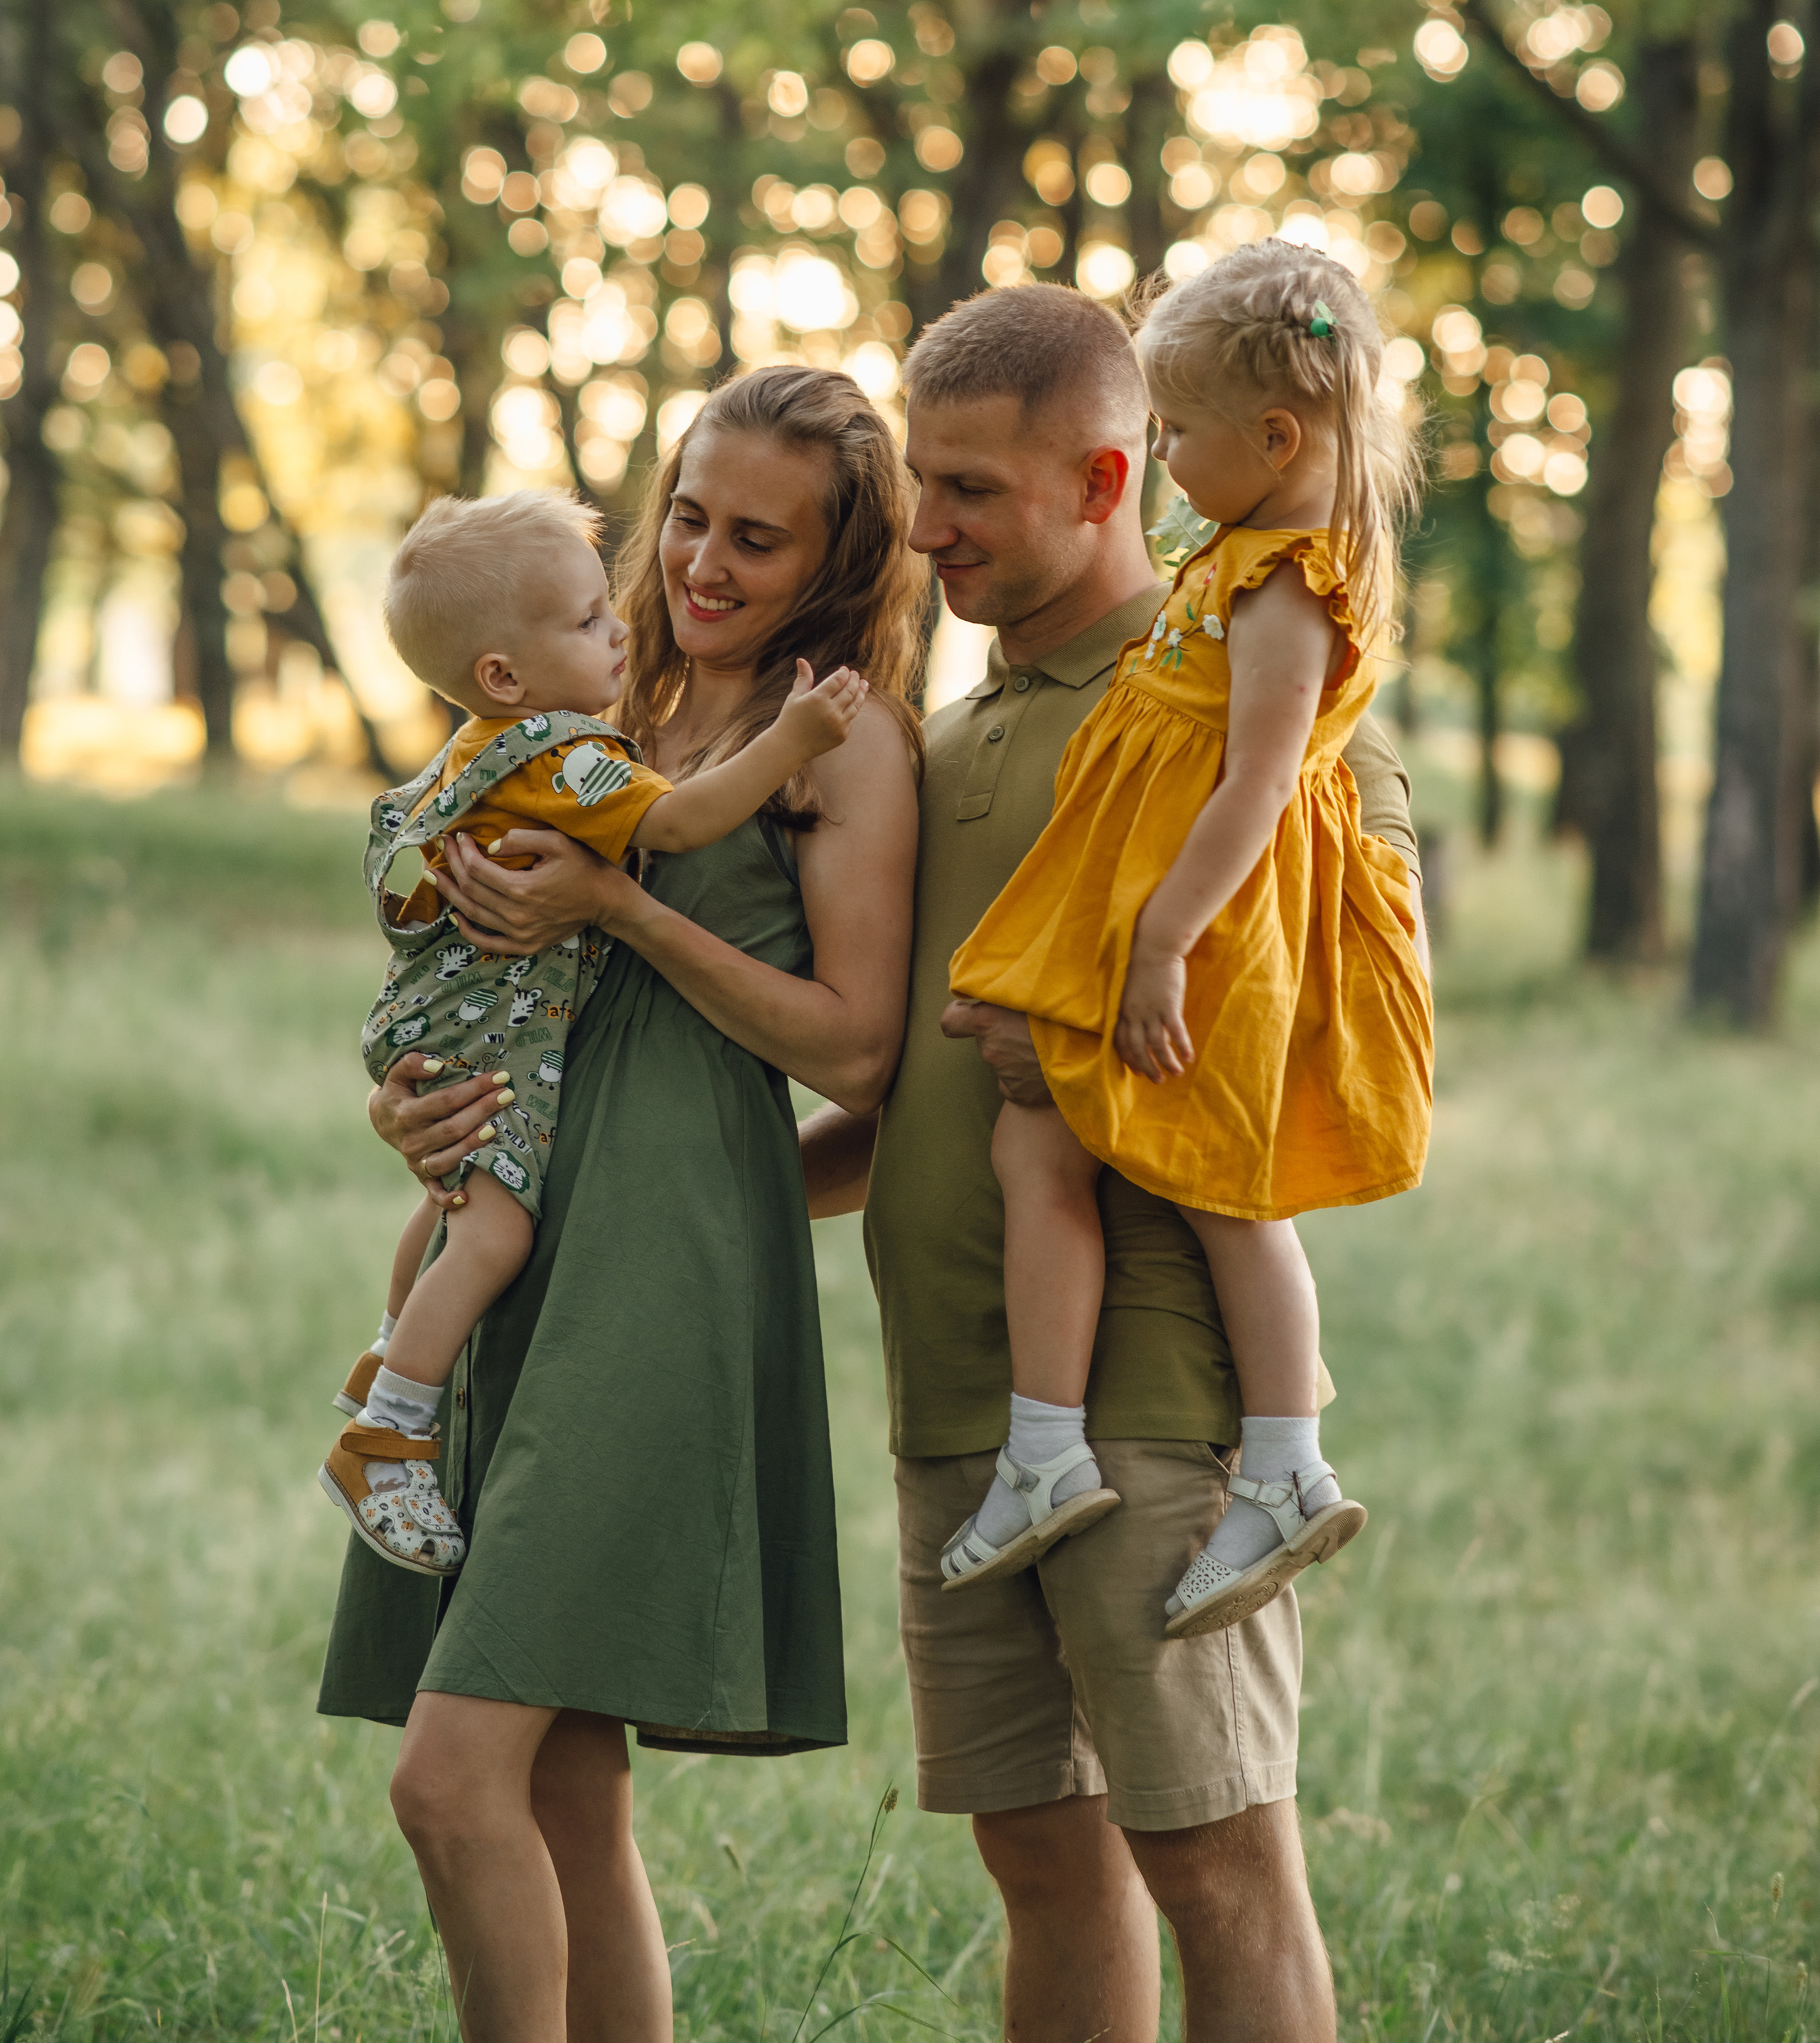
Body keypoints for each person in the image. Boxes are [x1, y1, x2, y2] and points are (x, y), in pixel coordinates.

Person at [807, 279, 1428, 2043]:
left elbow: (1326, 1045)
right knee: (1037, 1851)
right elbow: (907, 1089)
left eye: (971, 493)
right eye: (921, 484)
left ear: (1108, 480)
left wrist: (1081, 1051)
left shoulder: (1254, 712)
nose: (925, 532)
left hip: (1156, 1401)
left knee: (1218, 1863)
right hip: (965, 1414)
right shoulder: (934, 750)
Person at [322, 368, 923, 2043]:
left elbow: (861, 1052)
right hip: (514, 1238)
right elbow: (475, 962)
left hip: (658, 1271)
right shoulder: (586, 703)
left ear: (832, 559)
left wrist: (624, 908)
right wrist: (413, 1109)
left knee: (452, 1788)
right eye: (684, 516)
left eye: (755, 537)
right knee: (564, 1796)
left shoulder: (841, 740)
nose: (701, 562)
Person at [937, 247, 1433, 1641]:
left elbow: (1259, 783)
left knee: (1226, 1187)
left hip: (1206, 931)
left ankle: (1282, 1463)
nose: (1157, 458)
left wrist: (1158, 942)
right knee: (1031, 1141)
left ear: (1272, 440)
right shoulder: (1222, 562)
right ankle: (1044, 1447)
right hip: (1137, 917)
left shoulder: (1288, 582)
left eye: (1173, 432)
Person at [323, 486, 868, 1580]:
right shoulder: (561, 755)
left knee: (459, 1200)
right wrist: (790, 739)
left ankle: (389, 1352)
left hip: (440, 1018)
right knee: (495, 1230)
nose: (618, 625)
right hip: (493, 1027)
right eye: (583, 622)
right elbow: (679, 820)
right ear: (503, 675)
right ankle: (389, 1426)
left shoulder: (482, 746)